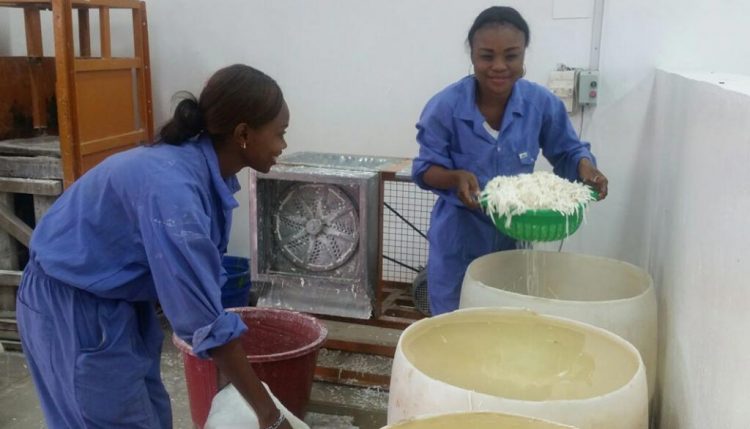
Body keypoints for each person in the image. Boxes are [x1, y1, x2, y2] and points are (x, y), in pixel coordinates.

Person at [16, 64, 293, 429]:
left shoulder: (200, 172)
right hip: (74, 306)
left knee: (150, 417)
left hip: (120, 302)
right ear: (243, 133)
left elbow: (203, 298)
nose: (283, 146)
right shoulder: (175, 191)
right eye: (279, 134)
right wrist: (269, 416)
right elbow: (204, 321)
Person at [412, 6, 609, 316]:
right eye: (487, 56)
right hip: (458, 245)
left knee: (506, 325)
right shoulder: (444, 108)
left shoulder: (540, 104)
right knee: (455, 327)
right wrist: (455, 178)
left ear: (524, 57)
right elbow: (424, 170)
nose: (499, 66)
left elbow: (568, 152)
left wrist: (586, 168)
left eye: (511, 56)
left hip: (513, 242)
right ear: (473, 56)